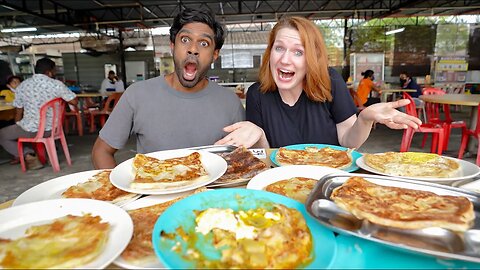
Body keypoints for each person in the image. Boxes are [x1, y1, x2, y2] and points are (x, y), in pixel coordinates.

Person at [215, 16, 421, 149]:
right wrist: (258, 133)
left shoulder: (330, 81)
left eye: (298, 52)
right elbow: (267, 157)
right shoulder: (256, 94)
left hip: (328, 178)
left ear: (311, 58)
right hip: (281, 183)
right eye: (279, 48)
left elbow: (348, 142)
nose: (284, 59)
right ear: (270, 53)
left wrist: (365, 118)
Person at [91, 8, 245, 169]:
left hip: (211, 194)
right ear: (172, 46)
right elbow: (101, 151)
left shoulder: (230, 103)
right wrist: (120, 191)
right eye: (185, 39)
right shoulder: (137, 95)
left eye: (204, 43)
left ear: (215, 54)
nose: (193, 49)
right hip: (151, 192)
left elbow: (243, 160)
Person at [0, 58, 78, 169]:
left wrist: (18, 124)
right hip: (53, 129)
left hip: (31, 129)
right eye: (54, 71)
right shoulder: (56, 84)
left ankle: (28, 155)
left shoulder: (23, 86)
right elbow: (74, 101)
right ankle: (47, 154)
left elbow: (18, 111)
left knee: (2, 135)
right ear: (48, 72)